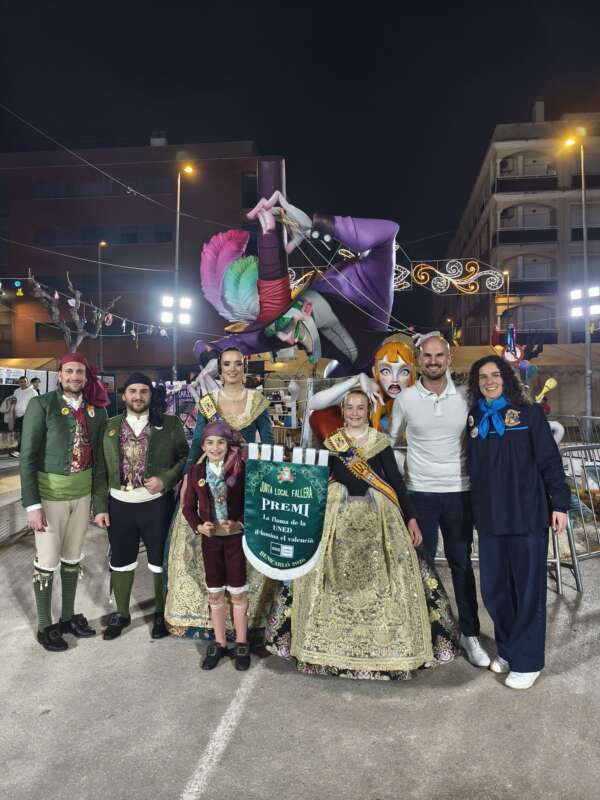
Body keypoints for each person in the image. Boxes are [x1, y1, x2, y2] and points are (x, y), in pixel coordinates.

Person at [266, 389, 458, 679]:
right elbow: (318, 481)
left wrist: (411, 518)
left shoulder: (380, 443)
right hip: (336, 521)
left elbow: (395, 481)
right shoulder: (332, 443)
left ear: (368, 411)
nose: (355, 413)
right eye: (350, 408)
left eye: (360, 408)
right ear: (343, 412)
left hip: (379, 520)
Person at [466, 355, 569, 690]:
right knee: (495, 591)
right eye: (482, 377)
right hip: (491, 519)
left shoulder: (529, 414)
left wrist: (560, 504)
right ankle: (508, 649)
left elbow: (550, 461)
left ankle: (528, 661)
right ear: (476, 382)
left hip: (526, 515)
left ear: (506, 379)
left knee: (527, 591)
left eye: (495, 375)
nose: (489, 381)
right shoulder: (476, 417)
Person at [390, 333, 489, 668]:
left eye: (439, 356)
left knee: (462, 565)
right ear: (419, 360)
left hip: (459, 493)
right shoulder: (404, 399)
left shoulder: (466, 398)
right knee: (423, 565)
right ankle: (426, 632)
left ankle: (469, 634)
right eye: (427, 356)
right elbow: (389, 445)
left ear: (449, 359)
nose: (433, 361)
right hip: (420, 494)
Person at [164, 347, 276, 640]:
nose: (233, 369)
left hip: (245, 480)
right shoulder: (208, 402)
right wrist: (188, 477)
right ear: (220, 368)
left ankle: (250, 623)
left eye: (238, 364)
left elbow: (269, 443)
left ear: (245, 367)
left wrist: (269, 479)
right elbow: (196, 445)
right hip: (209, 479)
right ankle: (208, 624)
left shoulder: (258, 401)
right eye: (227, 364)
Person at [19, 353, 109, 651]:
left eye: (79, 372)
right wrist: (32, 505)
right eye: (69, 371)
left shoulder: (96, 411)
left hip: (82, 496)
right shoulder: (41, 405)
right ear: (60, 375)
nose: (74, 377)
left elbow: (99, 463)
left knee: (73, 558)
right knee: (47, 561)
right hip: (50, 496)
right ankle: (46, 625)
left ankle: (68, 617)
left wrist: (99, 504)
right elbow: (28, 457)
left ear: (86, 376)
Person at [92, 373, 188, 640]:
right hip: (119, 505)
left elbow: (184, 457)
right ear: (123, 395)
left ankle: (160, 614)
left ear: (150, 394)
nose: (137, 396)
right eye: (132, 391)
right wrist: (100, 506)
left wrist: (166, 480)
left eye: (143, 391)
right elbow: (100, 469)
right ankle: (121, 613)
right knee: (121, 561)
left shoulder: (168, 424)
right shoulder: (109, 426)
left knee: (158, 562)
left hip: (156, 505)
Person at [182, 420, 250, 671]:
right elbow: (188, 507)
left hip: (234, 540)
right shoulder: (196, 473)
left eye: (220, 442)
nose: (215, 447)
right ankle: (220, 641)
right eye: (210, 442)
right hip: (211, 542)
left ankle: (241, 642)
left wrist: (240, 524)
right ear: (202, 446)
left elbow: (252, 502)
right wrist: (199, 526)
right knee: (215, 591)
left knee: (238, 590)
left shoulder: (240, 469)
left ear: (228, 444)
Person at [302, 335, 416, 445]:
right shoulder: (371, 389)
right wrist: (357, 379)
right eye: (386, 371)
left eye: (403, 371)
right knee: (320, 416)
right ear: (376, 371)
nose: (394, 380)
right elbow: (313, 404)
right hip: (361, 454)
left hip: (394, 456)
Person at [10, 376, 37, 457]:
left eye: (24, 381)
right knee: (17, 433)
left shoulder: (32, 392)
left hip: (27, 415)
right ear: (19, 383)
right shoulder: (16, 391)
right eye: (21, 382)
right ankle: (19, 450)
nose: (22, 383)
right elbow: (13, 401)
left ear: (27, 382)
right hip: (16, 415)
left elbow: (36, 404)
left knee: (23, 433)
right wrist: (13, 412)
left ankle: (19, 451)